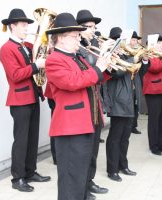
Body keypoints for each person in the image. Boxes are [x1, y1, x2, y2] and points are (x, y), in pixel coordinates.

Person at [45, 13, 108, 200]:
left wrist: (107, 67)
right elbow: (72, 82)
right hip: (70, 128)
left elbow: (92, 78)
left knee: (81, 176)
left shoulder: (76, 58)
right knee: (71, 179)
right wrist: (98, 69)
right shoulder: (54, 59)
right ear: (62, 38)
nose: (78, 39)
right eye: (75, 36)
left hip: (86, 123)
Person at [0, 8, 51, 192]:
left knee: (32, 138)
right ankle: (17, 178)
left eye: (28, 24)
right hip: (19, 99)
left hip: (33, 96)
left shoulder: (28, 46)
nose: (27, 28)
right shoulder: (6, 49)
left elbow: (42, 52)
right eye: (23, 25)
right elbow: (15, 75)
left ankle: (30, 171)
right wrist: (36, 65)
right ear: (12, 26)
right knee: (21, 140)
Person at [76, 9, 108, 199]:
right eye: (88, 27)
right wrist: (101, 54)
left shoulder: (92, 45)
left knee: (94, 146)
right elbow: (86, 73)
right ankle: (82, 185)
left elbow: (100, 77)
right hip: (83, 104)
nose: (92, 31)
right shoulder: (77, 49)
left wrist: (109, 60)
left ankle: (89, 180)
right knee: (84, 149)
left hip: (95, 101)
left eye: (94, 27)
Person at [104, 27, 138, 182]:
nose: (127, 42)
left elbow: (138, 72)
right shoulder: (110, 54)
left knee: (125, 136)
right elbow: (116, 73)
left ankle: (123, 165)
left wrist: (141, 59)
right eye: (123, 40)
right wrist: (130, 60)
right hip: (118, 101)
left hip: (129, 99)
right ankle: (112, 169)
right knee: (115, 137)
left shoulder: (127, 54)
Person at [142, 34, 162, 156]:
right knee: (154, 120)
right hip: (153, 91)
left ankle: (161, 143)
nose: (161, 45)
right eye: (159, 43)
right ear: (152, 44)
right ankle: (154, 146)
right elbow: (155, 68)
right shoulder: (149, 55)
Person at [129, 31, 143, 135]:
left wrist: (145, 60)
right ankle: (128, 126)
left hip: (136, 81)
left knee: (136, 104)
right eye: (132, 39)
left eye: (135, 40)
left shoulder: (138, 51)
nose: (134, 42)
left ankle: (134, 126)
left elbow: (143, 70)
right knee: (129, 104)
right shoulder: (125, 51)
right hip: (128, 81)